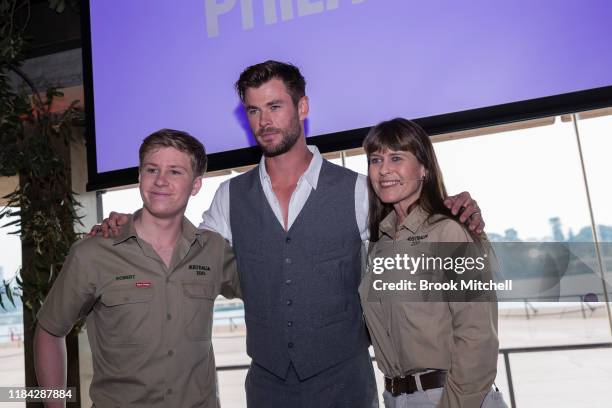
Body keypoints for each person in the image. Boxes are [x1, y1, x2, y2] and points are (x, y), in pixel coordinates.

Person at [94, 61, 486, 407]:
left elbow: (414, 227)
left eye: (275, 106)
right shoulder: (230, 195)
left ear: (302, 107)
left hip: (346, 385)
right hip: (267, 388)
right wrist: (129, 224)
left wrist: (457, 209)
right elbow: (183, 251)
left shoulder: (358, 189)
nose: (264, 121)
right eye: (253, 110)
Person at [35, 129, 240, 408]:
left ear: (195, 185)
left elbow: (270, 291)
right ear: (139, 176)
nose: (160, 181)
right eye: (151, 169)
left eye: (175, 172)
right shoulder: (92, 254)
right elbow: (49, 331)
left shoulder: (214, 250)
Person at [358, 118, 505, 408]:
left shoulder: (449, 231)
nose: (384, 169)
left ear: (423, 168)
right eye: (376, 160)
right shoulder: (380, 245)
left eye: (396, 157)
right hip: (396, 398)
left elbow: (478, 339)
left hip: (452, 397)